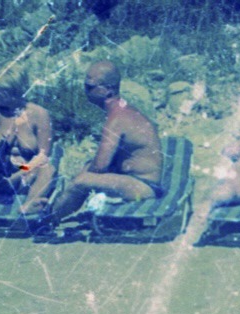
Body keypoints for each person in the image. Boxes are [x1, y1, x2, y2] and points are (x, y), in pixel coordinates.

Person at [49, 60, 162, 220]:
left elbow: (100, 167)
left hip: (142, 187)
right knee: (85, 170)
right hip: (137, 183)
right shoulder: (123, 111)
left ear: (108, 90)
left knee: (82, 181)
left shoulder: (116, 119)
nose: (85, 91)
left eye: (89, 87)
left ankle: (48, 219)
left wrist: (77, 180)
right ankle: (53, 214)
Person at [0, 68, 54, 215]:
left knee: (47, 167)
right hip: (0, 174)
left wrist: (19, 174)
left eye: (0, 91)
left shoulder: (39, 114)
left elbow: (43, 154)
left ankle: (29, 205)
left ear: (16, 92)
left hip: (27, 174)